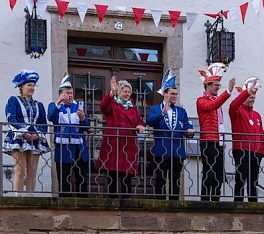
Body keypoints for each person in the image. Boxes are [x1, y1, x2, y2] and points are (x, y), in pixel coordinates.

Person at [145, 69, 194, 200]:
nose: (175, 96)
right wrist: (162, 113)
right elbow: (149, 121)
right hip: (161, 150)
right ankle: (160, 203)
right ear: (165, 94)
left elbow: (187, 125)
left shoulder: (181, 111)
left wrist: (190, 132)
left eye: (176, 94)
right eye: (172, 94)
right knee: (160, 179)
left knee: (175, 179)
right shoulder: (155, 108)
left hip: (177, 151)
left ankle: (174, 203)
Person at [4, 70, 50, 194]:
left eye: (33, 85)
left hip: (35, 139)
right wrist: (23, 132)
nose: (32, 88)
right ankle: (18, 198)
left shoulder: (39, 105)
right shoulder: (13, 100)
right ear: (21, 86)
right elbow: (10, 118)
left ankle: (31, 197)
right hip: (19, 138)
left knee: (32, 173)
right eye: (29, 85)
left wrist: (37, 134)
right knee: (20, 171)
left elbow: (43, 124)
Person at [98, 75, 146, 197]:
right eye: (125, 91)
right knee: (112, 176)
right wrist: (111, 93)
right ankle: (112, 201)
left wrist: (140, 126)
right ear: (119, 92)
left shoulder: (132, 108)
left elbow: (138, 121)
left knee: (127, 177)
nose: (127, 94)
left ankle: (126, 202)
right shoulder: (113, 104)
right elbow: (103, 107)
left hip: (128, 146)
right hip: (114, 145)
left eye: (129, 92)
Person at [196, 63, 236, 201]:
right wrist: (228, 92)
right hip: (208, 141)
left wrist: (222, 139)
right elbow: (213, 105)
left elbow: (220, 121)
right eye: (216, 85)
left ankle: (216, 200)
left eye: (219, 86)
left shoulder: (216, 101)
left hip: (218, 140)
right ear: (207, 86)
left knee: (219, 173)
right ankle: (206, 201)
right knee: (209, 172)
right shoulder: (201, 100)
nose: (218, 88)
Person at [48, 73, 90, 198]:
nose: (70, 95)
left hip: (79, 148)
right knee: (64, 179)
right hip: (63, 149)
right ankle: (64, 204)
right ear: (61, 93)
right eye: (67, 93)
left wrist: (83, 119)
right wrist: (58, 102)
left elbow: (86, 127)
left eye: (71, 93)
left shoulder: (79, 106)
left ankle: (83, 204)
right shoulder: (54, 106)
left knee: (81, 178)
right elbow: (51, 117)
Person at [228, 77, 264, 203]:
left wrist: (261, 152)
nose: (252, 100)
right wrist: (247, 91)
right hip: (242, 150)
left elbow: (261, 134)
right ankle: (238, 202)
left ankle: (253, 203)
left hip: (256, 152)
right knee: (240, 178)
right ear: (244, 97)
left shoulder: (257, 115)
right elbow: (233, 104)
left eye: (254, 98)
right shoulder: (237, 111)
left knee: (253, 181)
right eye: (250, 97)